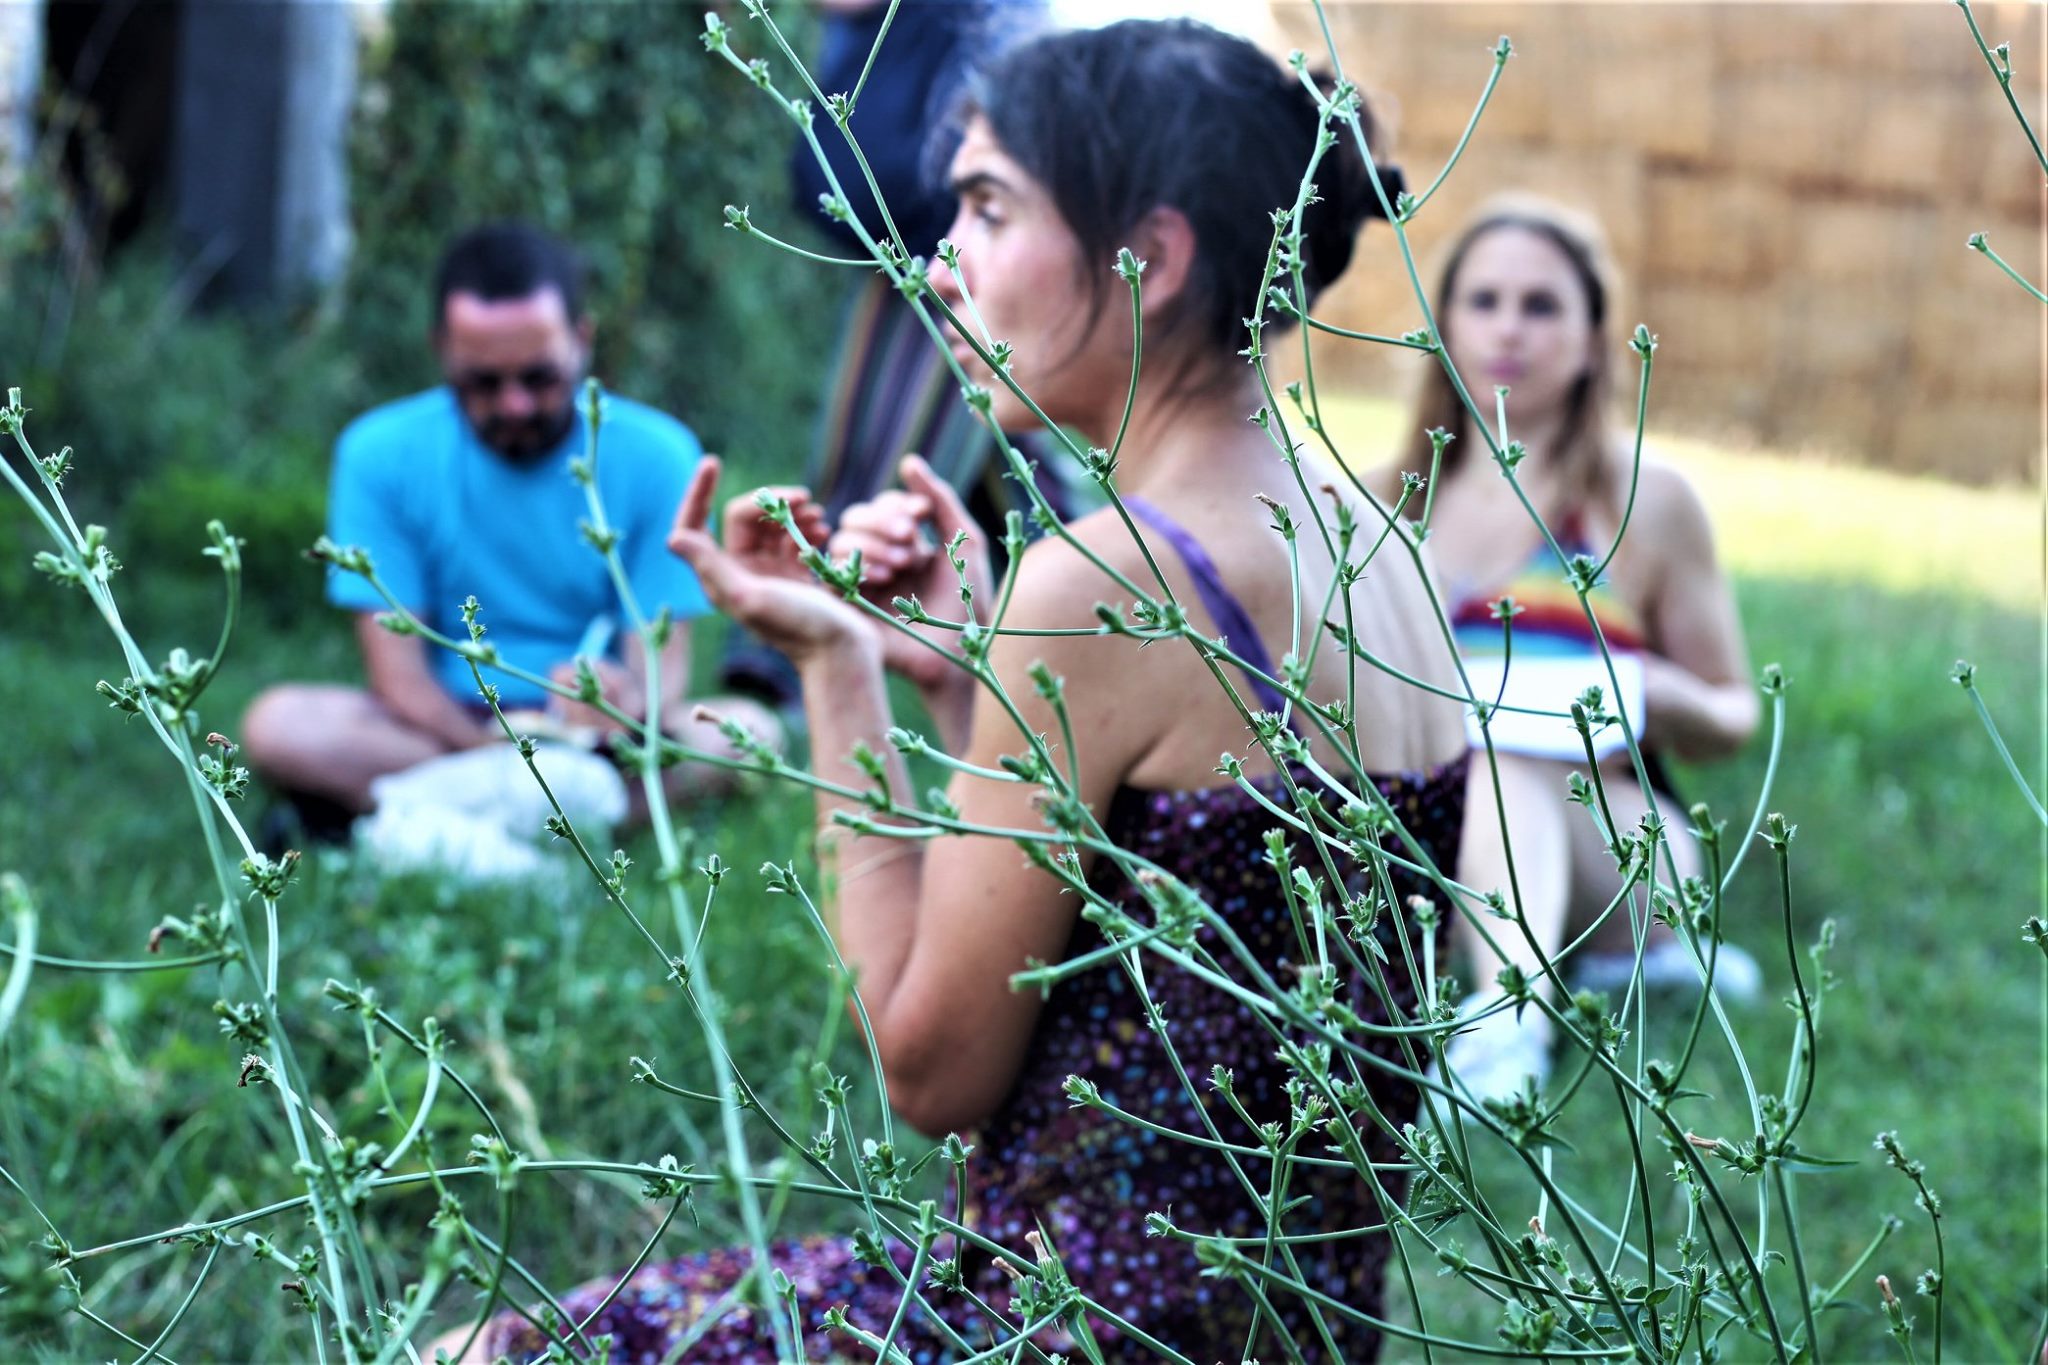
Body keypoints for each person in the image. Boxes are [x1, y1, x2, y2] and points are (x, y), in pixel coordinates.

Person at [472, 20, 1467, 1363]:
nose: (941, 264)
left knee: (484, 1352)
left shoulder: (1108, 580)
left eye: (990, 209)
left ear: (1152, 256)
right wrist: (963, 684)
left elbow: (931, 1070)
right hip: (1286, 1332)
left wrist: (834, 668)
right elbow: (1154, 949)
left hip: (1062, 1328)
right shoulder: (1377, 546)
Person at [1385, 196, 1762, 1101]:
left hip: (1617, 833)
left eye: (1542, 305)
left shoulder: (1648, 502)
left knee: (1507, 749)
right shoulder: (1383, 503)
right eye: (1484, 301)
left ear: (1595, 339)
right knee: (1480, 759)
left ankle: (1510, 1023)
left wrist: (1648, 687)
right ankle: (1558, 980)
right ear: (1444, 327)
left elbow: (1735, 713)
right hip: (1427, 839)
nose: (1509, 328)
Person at [241, 223, 773, 836]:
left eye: (539, 378)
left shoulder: (660, 454)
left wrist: (623, 706)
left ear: (581, 341)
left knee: (748, 732)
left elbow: (661, 669)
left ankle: (426, 814)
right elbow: (398, 677)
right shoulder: (378, 452)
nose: (515, 404)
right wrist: (498, 755)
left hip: (593, 738)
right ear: (442, 350)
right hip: (447, 730)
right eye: (484, 383)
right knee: (279, 724)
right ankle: (564, 820)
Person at [721, 0, 1065, 707]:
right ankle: (1096, 624)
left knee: (879, 467)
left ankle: (783, 658)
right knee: (1009, 476)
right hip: (904, 259)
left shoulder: (987, 29)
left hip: (949, 270)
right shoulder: (875, 35)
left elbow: (1001, 175)